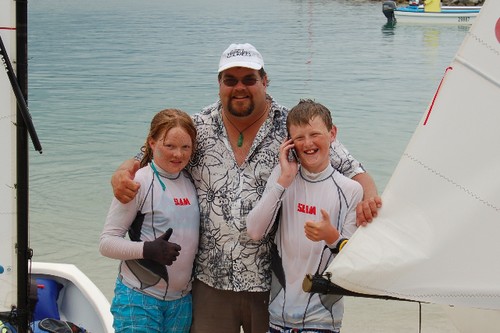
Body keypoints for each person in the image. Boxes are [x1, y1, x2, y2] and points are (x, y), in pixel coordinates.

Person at [110, 43, 382, 333]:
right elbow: (152, 155)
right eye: (231, 80)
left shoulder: (291, 125)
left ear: (264, 81)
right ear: (219, 85)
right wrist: (123, 171)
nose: (240, 87)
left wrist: (369, 198)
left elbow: (352, 168)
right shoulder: (199, 127)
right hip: (208, 281)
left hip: (271, 288)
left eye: (249, 79)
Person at [247, 99, 363, 333]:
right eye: (299, 138)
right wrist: (283, 181)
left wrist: (332, 237)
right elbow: (255, 231)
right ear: (290, 143)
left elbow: (353, 262)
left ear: (332, 133)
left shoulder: (350, 190)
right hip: (278, 318)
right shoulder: (283, 178)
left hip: (323, 321)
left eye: (315, 134)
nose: (308, 144)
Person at [100, 109, 200, 333]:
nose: (178, 154)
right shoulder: (138, 182)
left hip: (181, 302)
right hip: (139, 298)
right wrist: (148, 249)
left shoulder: (192, 179)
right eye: (170, 146)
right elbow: (106, 243)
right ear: (152, 143)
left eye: (186, 147)